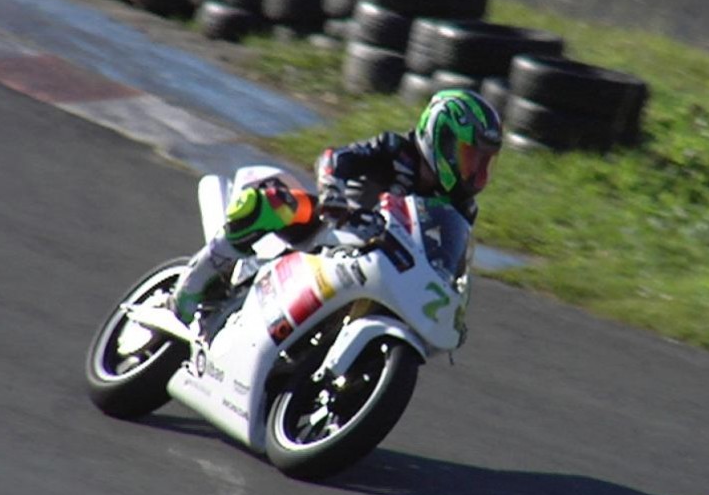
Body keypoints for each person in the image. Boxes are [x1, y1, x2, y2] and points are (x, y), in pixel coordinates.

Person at [168, 88, 503, 324]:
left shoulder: (460, 207)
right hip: (334, 229)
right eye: (471, 156)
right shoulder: (396, 149)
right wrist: (334, 195)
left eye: (485, 162)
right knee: (278, 202)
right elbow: (335, 158)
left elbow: (451, 259)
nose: (477, 171)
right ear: (440, 138)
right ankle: (198, 276)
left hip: (388, 263)